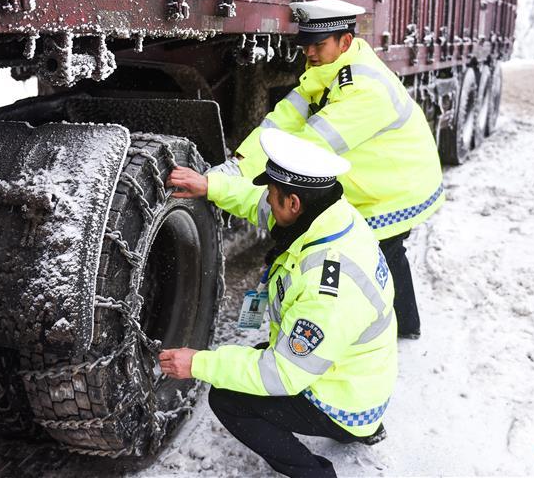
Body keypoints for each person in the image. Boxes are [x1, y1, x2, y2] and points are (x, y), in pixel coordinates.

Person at [161, 129, 397, 478]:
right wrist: (210, 186)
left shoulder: (329, 286)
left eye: (274, 195)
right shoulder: (331, 215)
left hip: (345, 400)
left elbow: (283, 376)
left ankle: (316, 472)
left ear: (294, 203)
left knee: (228, 397)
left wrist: (199, 364)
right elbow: (259, 204)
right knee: (255, 358)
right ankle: (363, 426)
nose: (268, 202)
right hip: (355, 375)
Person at [215, 0, 443, 339]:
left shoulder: (365, 89)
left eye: (318, 45)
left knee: (383, 253)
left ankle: (400, 328)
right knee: (385, 254)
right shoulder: (328, 73)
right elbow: (283, 121)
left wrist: (234, 187)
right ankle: (398, 323)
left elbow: (306, 147)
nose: (309, 53)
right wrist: (239, 166)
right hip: (373, 179)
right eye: (306, 45)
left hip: (395, 187)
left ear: (345, 42)